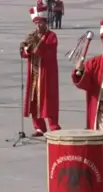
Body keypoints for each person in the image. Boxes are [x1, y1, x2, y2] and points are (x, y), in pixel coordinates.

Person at [20, 5, 61, 137]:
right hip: (34, 74)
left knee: (49, 100)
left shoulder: (51, 36)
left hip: (47, 74)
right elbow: (26, 52)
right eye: (36, 23)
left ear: (45, 22)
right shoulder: (32, 35)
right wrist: (24, 48)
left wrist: (36, 44)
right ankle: (39, 127)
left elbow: (47, 52)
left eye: (41, 22)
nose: (38, 25)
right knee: (33, 101)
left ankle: (54, 126)